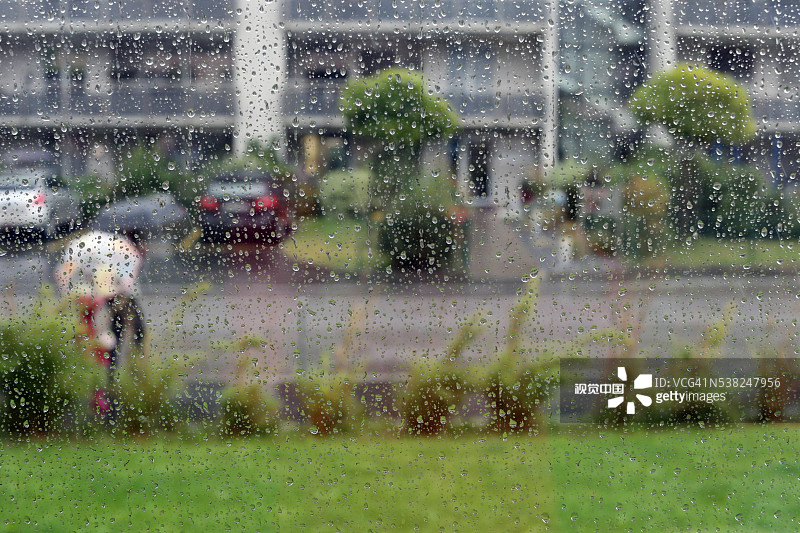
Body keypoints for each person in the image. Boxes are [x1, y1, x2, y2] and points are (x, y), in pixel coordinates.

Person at [54, 230, 146, 413]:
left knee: (97, 339)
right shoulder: (123, 247)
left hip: (96, 300)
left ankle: (106, 380)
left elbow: (63, 274)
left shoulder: (80, 245)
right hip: (115, 297)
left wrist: (70, 295)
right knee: (122, 336)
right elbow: (128, 279)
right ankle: (115, 377)